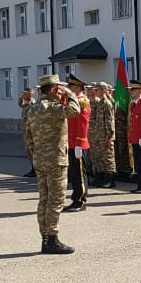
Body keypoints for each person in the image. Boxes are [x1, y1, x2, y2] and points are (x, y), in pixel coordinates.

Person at [23, 75, 82, 254]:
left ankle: (45, 238)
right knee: (56, 200)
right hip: (56, 160)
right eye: (59, 88)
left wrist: (35, 154)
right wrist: (70, 93)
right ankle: (52, 239)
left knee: (44, 199)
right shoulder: (56, 108)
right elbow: (75, 110)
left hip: (40, 160)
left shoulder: (32, 109)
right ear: (55, 90)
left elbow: (28, 136)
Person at [61, 75, 91, 212]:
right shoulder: (74, 101)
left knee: (79, 173)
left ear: (78, 88)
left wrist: (79, 142)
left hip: (78, 142)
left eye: (72, 87)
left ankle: (81, 200)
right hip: (72, 142)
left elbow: (83, 123)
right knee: (74, 173)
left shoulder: (83, 102)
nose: (69, 89)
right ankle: (76, 198)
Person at [88, 82, 117, 188]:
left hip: (105, 135)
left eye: (98, 90)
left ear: (104, 90)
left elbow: (110, 122)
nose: (95, 92)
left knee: (108, 157)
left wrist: (109, 137)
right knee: (99, 157)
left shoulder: (107, 104)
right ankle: (101, 177)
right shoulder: (99, 103)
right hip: (98, 135)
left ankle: (110, 180)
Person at [19, 88, 36, 178]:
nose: (23, 95)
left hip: (31, 132)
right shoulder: (26, 104)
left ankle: (35, 169)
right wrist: (20, 99)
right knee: (29, 152)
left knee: (33, 151)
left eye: (24, 94)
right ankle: (33, 168)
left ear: (29, 95)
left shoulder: (33, 104)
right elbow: (20, 105)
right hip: (26, 132)